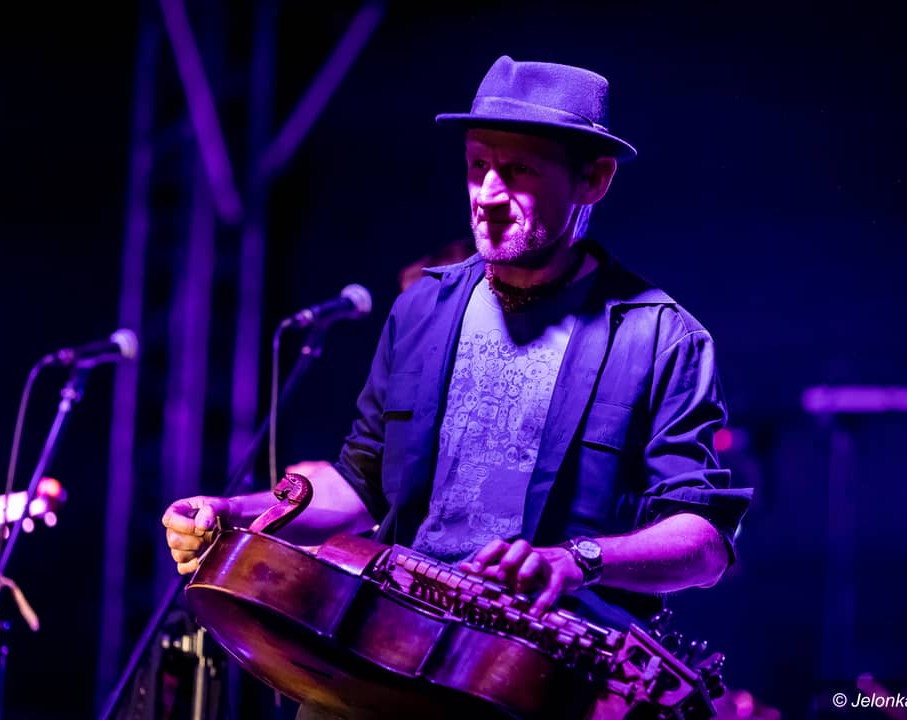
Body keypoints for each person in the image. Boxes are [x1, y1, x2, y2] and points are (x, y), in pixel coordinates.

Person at [164, 54, 752, 709]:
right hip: (378, 657)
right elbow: (360, 485)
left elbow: (704, 544)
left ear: (594, 179)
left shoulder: (664, 338)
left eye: (520, 170)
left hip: (533, 683)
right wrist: (237, 513)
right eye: (477, 165)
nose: (488, 194)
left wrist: (575, 560)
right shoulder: (421, 307)